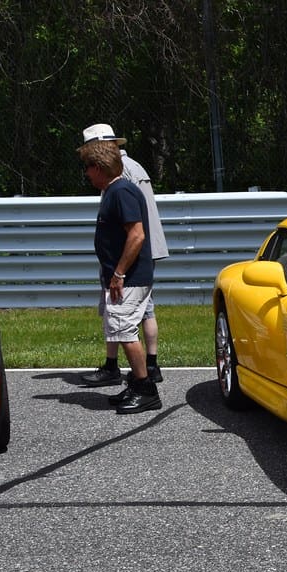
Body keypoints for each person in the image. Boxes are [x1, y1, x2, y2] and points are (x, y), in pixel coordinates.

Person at [79, 123, 168, 387]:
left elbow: (135, 230)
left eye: (89, 162)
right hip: (137, 253)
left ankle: (141, 383)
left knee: (124, 323)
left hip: (130, 256)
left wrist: (118, 272)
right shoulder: (134, 168)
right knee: (137, 315)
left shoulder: (121, 181)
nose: (87, 172)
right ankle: (148, 369)